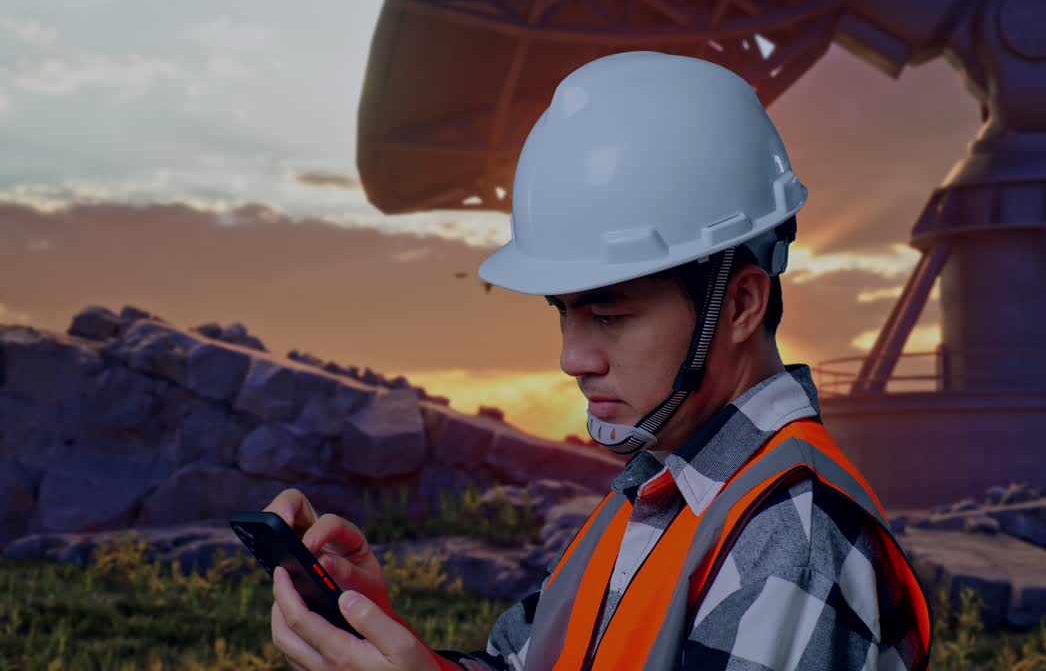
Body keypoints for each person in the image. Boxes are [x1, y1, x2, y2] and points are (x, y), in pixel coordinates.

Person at [265, 51, 933, 671]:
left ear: (739, 306)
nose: (571, 359)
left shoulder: (789, 540)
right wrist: (389, 643)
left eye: (610, 315)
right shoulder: (655, 495)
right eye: (564, 311)